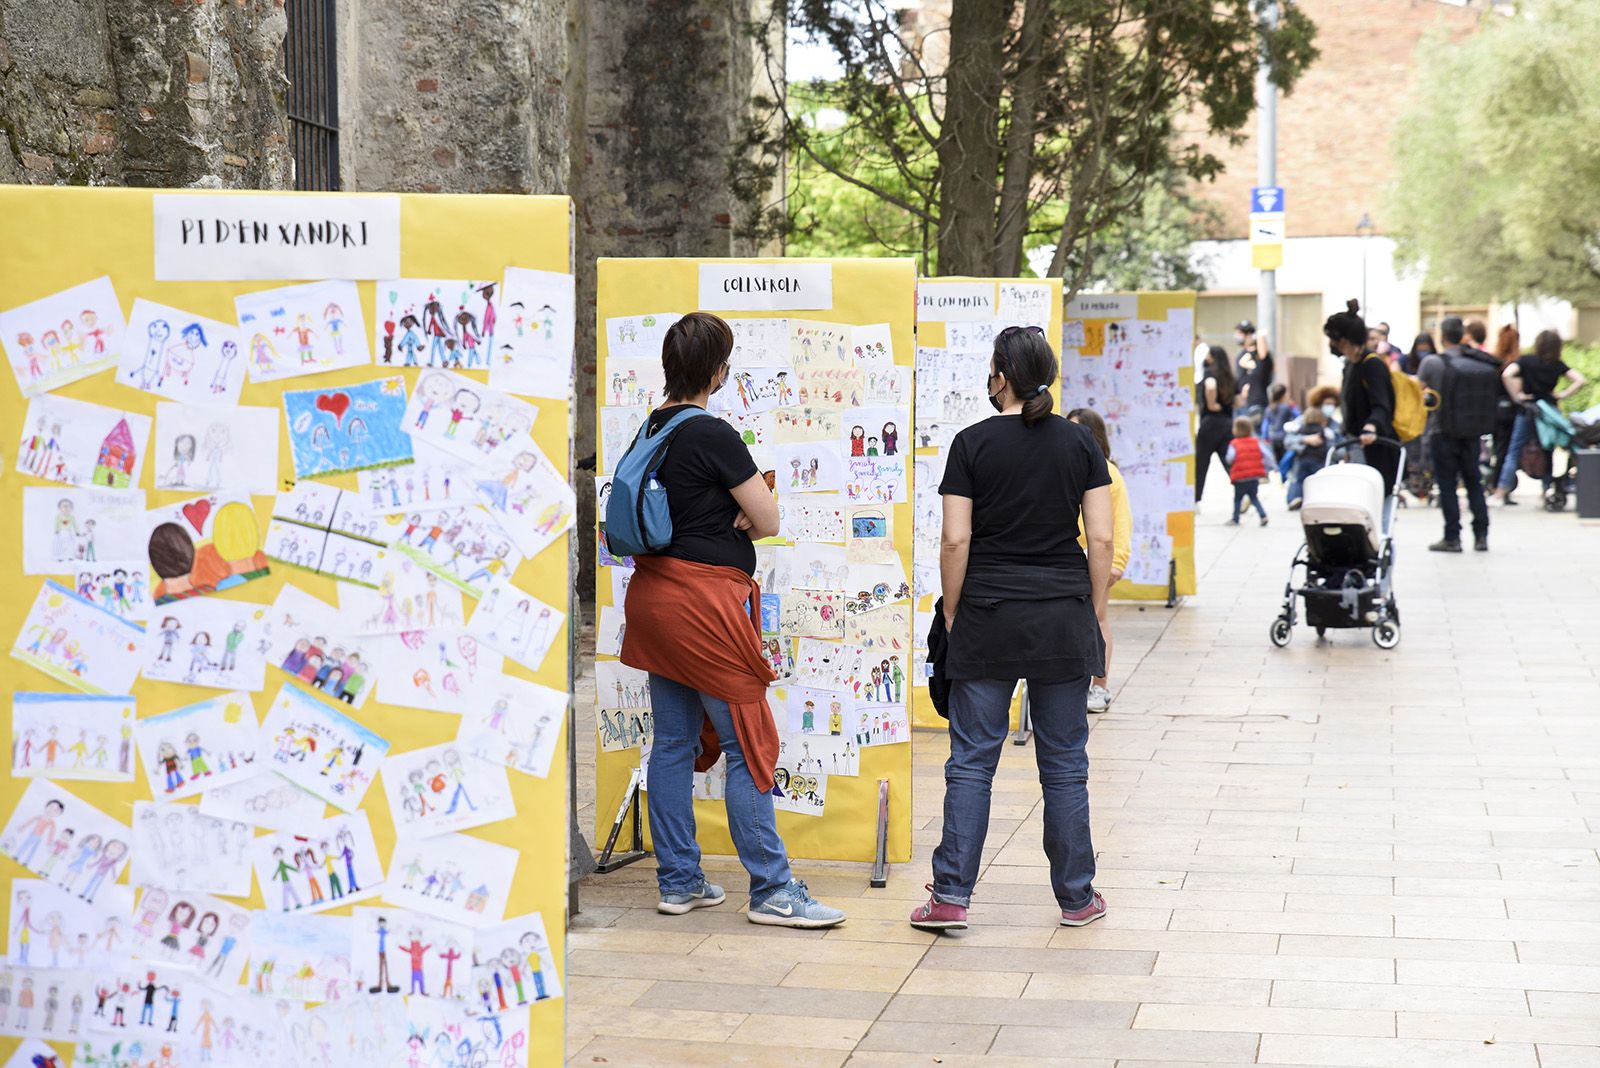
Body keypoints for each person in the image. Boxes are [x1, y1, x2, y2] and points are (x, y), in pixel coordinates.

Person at [619, 311, 844, 929]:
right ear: (718, 373)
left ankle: (680, 880)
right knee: (748, 743)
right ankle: (772, 890)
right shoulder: (712, 434)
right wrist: (744, 507)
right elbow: (767, 520)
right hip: (705, 606)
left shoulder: (651, 429)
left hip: (655, 600)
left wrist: (727, 506)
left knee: (673, 743)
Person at [910, 326, 1112, 932]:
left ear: (999, 376)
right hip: (1062, 616)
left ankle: (951, 897)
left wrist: (952, 610)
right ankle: (1077, 898)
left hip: (987, 615)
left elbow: (955, 540)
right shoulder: (1080, 443)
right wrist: (1096, 610)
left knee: (972, 760)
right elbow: (1101, 539)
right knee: (1065, 762)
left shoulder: (970, 444)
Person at [1067, 408, 1129, 714]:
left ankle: (1099, 686)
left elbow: (1121, 521)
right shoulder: (1066, 465)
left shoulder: (1108, 472)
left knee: (1098, 619)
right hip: (1069, 557)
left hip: (1096, 557)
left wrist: (1117, 560)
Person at [1417, 317, 1492, 552]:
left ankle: (1452, 537)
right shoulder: (1475, 361)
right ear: (1462, 336)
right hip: (1471, 432)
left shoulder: (1432, 362)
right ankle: (1481, 536)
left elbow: (1419, 393)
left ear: (1442, 336)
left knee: (1447, 485)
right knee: (1474, 482)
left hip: (1442, 431)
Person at [1495, 329, 1588, 503]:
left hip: (1528, 409)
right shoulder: (1557, 364)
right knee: (1547, 449)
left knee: (1514, 450)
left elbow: (1507, 374)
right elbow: (1580, 380)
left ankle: (1501, 491)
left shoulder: (1526, 361)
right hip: (1548, 412)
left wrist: (1517, 397)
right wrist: (1562, 395)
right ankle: (1546, 489)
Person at [1327, 300, 1400, 496]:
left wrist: (1372, 426)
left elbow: (1382, 404)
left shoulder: (1372, 364)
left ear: (1345, 341)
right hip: (1357, 445)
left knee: (1373, 500)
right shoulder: (1351, 365)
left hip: (1375, 446)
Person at [1194, 345, 1237, 505]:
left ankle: (1195, 498)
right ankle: (1243, 491)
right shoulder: (1230, 376)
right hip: (1227, 422)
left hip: (1210, 422)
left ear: (1212, 357)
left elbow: (1210, 386)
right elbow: (1239, 400)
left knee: (1201, 462)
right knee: (1228, 460)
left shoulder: (1210, 373)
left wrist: (1212, 404)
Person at [1283, 401, 1341, 510]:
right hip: (1318, 460)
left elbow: (1288, 428)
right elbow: (1332, 438)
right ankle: (1317, 499)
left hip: (1303, 459)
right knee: (1318, 480)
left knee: (1299, 480)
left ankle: (1295, 498)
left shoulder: (1302, 428)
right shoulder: (1323, 430)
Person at [1225, 417, 1269, 526]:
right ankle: (1263, 515)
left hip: (1240, 478)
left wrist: (1230, 462)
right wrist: (1273, 467)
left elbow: (1230, 458)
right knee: (1254, 498)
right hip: (1254, 477)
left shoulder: (1234, 443)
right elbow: (1267, 454)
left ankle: (1235, 518)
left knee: (1237, 499)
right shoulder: (1256, 442)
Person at [1233, 320, 1273, 419]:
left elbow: (1263, 354)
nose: (1237, 336)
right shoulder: (1242, 354)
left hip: (1256, 403)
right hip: (1242, 404)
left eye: (1240, 333)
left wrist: (1259, 338)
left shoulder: (1260, 357)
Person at [1261, 384, 1299, 480]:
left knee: (1278, 459)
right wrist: (1293, 406)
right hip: (1284, 437)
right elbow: (1298, 416)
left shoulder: (1269, 408)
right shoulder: (1286, 407)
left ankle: (1281, 478)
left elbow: (1265, 424)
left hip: (1273, 438)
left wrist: (1265, 436)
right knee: (1286, 460)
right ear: (1283, 395)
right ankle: (1285, 477)